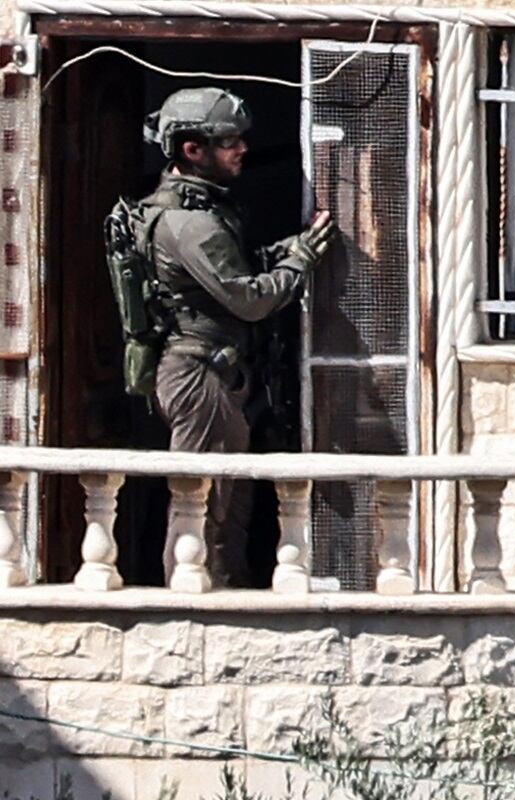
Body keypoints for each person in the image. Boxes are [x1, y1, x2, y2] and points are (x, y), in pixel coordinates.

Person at [140, 87, 335, 587]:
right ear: (192, 150)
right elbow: (249, 299)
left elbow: (235, 272)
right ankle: (195, 597)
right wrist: (301, 262)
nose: (242, 149)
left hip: (217, 370)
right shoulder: (190, 222)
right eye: (228, 141)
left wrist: (285, 252)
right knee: (206, 501)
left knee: (230, 499)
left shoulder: (203, 212)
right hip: (199, 373)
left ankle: (220, 586)